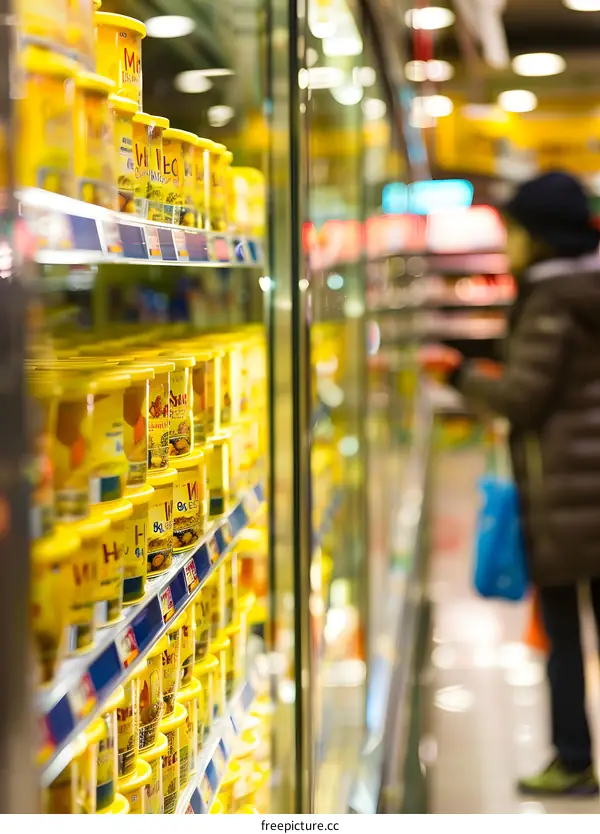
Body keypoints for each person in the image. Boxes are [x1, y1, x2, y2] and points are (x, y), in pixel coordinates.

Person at [449, 171, 600, 797]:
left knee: (563, 637)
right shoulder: (588, 285)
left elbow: (524, 397)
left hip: (567, 498)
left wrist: (459, 375)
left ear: (536, 237)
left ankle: (572, 759)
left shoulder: (549, 295)